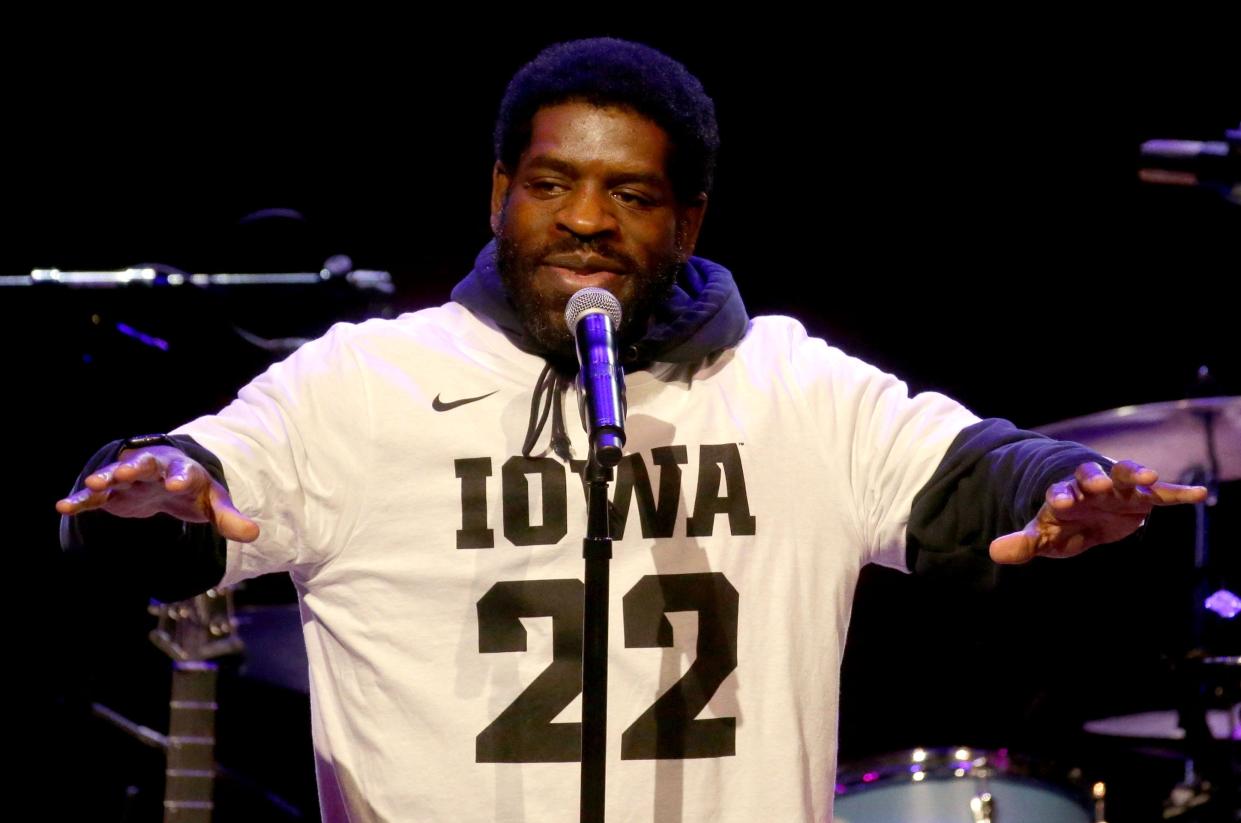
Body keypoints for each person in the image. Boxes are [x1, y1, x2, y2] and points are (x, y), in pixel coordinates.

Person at [57, 38, 1207, 822]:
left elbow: (977, 471)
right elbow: (199, 488)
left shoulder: (785, 383)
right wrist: (154, 485)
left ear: (688, 214)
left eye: (632, 194)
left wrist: (1066, 485)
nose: (587, 220)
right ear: (497, 191)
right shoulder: (366, 382)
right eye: (551, 184)